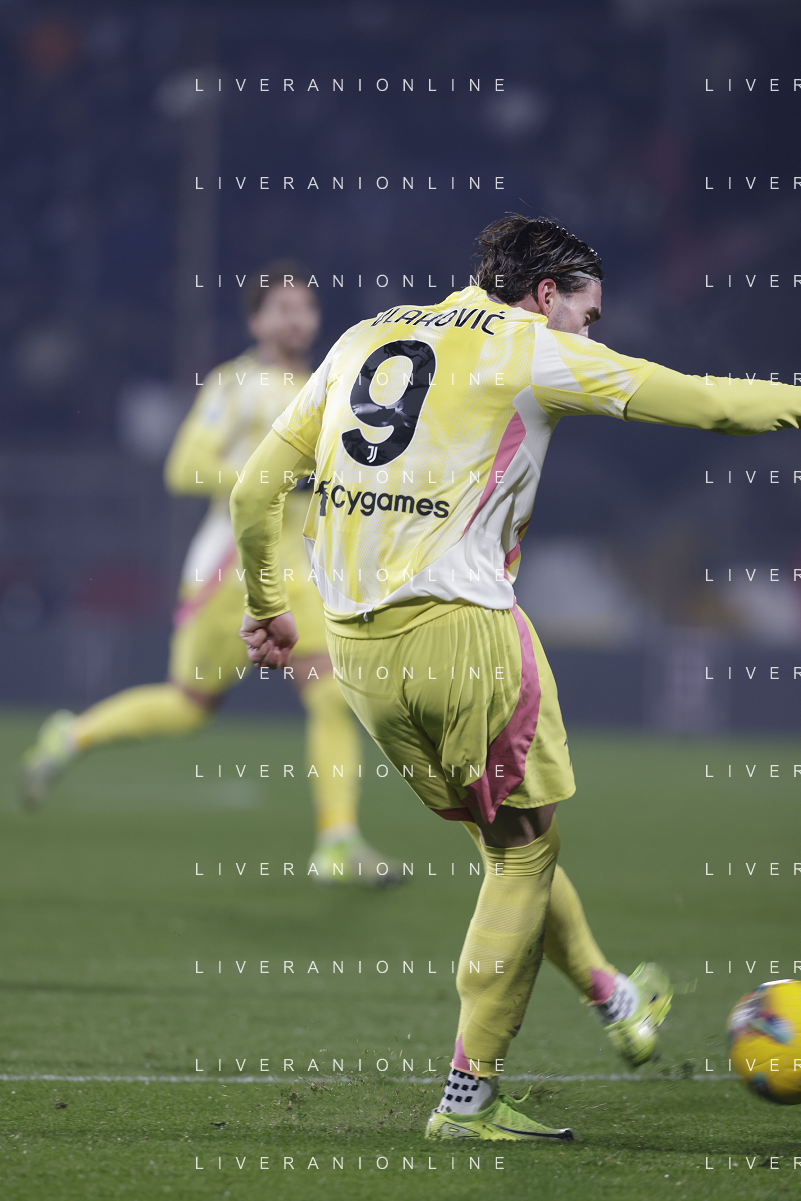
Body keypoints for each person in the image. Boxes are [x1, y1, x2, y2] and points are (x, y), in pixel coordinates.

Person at [230, 214, 801, 1142]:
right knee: (524, 855)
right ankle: (469, 1095)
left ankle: (614, 997)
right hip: (463, 636)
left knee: (508, 837)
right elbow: (709, 404)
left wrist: (266, 605)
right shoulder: (531, 346)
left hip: (356, 652)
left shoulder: (362, 336)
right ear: (544, 295)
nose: (591, 331)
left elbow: (254, 490)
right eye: (588, 313)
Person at [21, 263, 399, 887]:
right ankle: (72, 734)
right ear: (255, 320)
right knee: (187, 707)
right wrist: (268, 480)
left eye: (305, 307)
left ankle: (337, 842)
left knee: (331, 692)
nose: (296, 319)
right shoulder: (235, 384)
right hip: (231, 568)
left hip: (300, 571)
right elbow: (183, 466)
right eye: (282, 307)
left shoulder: (330, 388)